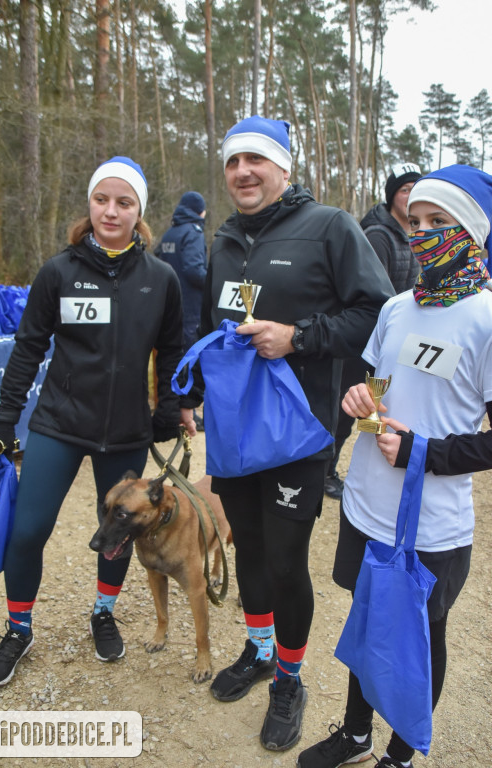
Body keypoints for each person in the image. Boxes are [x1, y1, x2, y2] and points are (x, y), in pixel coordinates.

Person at [180, 115, 394, 752]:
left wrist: (297, 337)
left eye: (256, 161)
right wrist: (191, 392)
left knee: (284, 557)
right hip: (236, 429)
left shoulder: (329, 226)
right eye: (232, 162)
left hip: (299, 432)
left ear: (284, 168)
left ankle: (290, 681)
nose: (243, 172)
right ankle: (260, 649)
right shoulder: (221, 240)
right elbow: (218, 327)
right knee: (246, 546)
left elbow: (377, 313)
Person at [297, 163, 492, 768]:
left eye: (441, 221)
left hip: (430, 526)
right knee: (364, 625)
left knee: (415, 642)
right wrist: (363, 398)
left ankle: (401, 754)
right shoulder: (397, 308)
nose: (423, 232)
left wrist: (425, 454)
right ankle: (356, 734)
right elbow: (376, 383)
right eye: (416, 221)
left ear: (474, 232)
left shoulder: (486, 319)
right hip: (366, 505)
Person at [0, 156, 195, 688]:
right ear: (90, 204)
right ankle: (19, 628)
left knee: (120, 534)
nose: (111, 211)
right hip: (57, 422)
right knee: (28, 531)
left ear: (138, 211)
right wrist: (6, 421)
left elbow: (171, 349)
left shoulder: (161, 279)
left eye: (124, 202)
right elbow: (27, 349)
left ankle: (103, 612)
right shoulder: (59, 271)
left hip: (124, 431)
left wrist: (168, 409)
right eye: (102, 199)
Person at [325, 162, 422, 501]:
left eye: (415, 188)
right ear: (392, 195)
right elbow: (374, 295)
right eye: (404, 189)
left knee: (377, 406)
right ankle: (326, 469)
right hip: (367, 341)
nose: (410, 195)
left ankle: (376, 462)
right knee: (347, 410)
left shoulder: (411, 234)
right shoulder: (378, 236)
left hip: (395, 340)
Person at [155, 190, 208, 430]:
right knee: (189, 357)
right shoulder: (193, 233)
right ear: (200, 211)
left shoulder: (170, 233)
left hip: (167, 305)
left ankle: (170, 406)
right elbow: (194, 270)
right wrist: (215, 283)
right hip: (190, 307)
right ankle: (186, 410)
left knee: (171, 357)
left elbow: (157, 262)